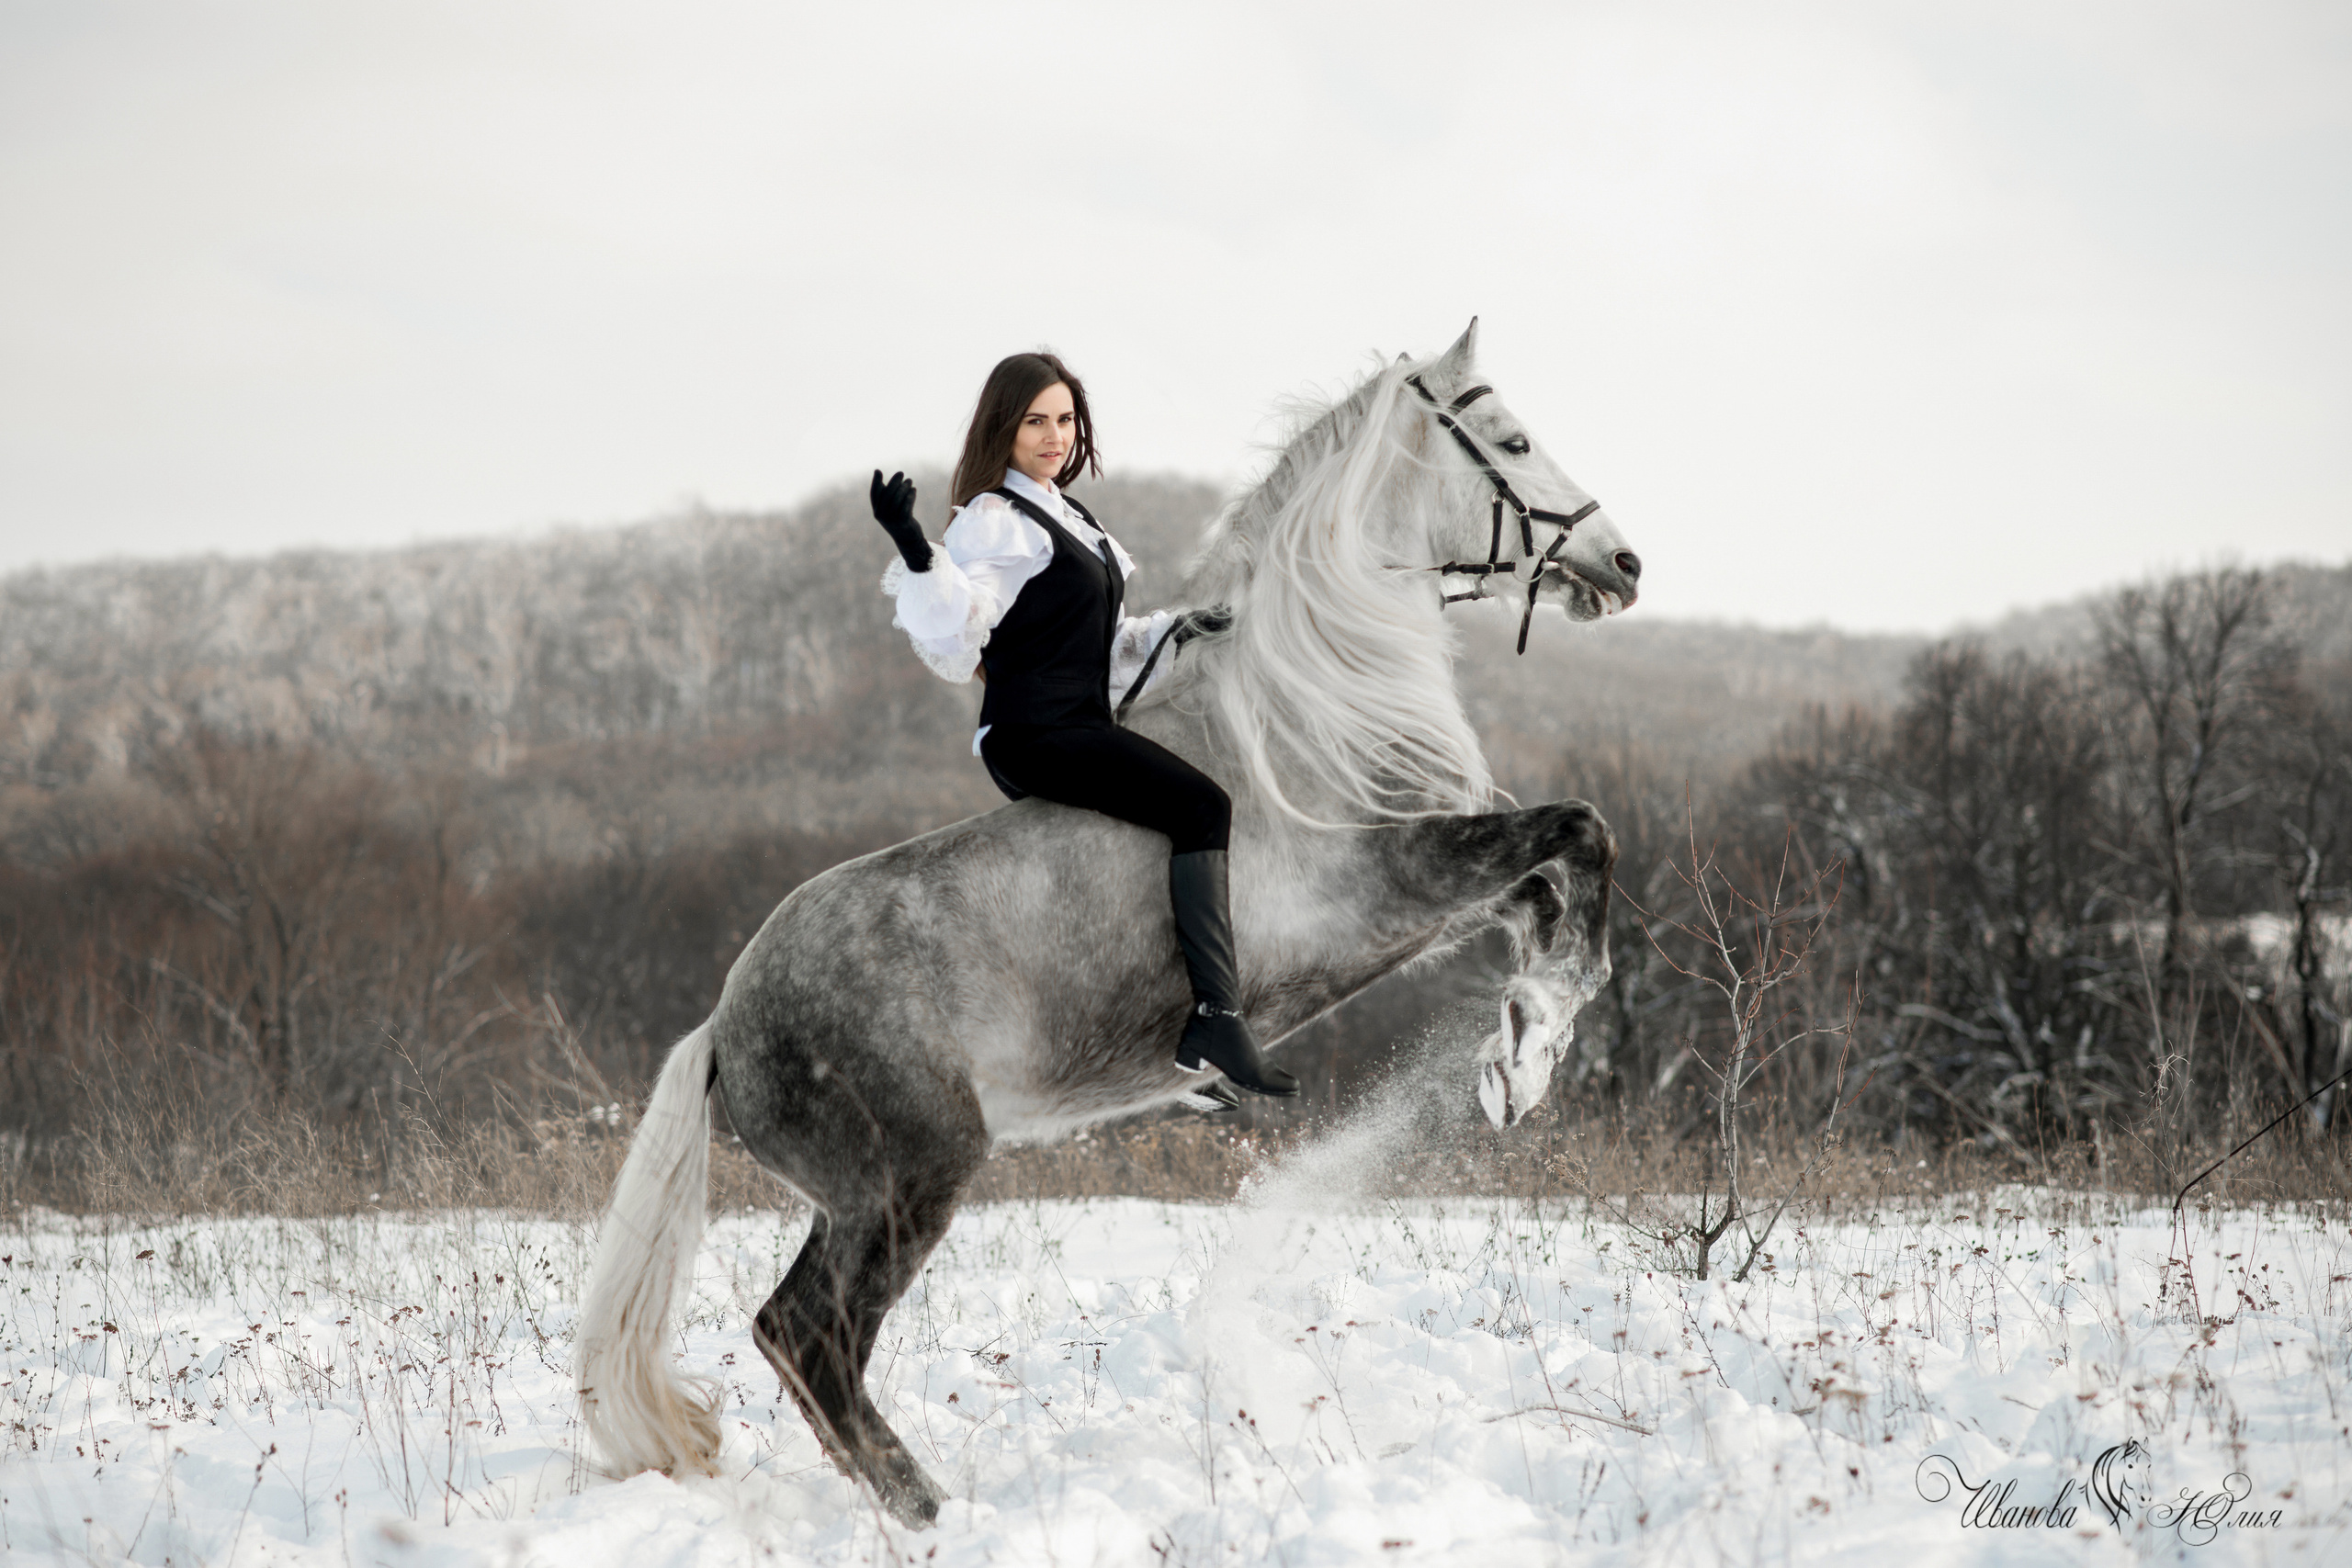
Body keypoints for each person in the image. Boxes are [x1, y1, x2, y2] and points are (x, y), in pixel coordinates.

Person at [868, 351, 1299, 1098]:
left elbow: (1108, 647)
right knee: (1204, 807)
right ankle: (1216, 1016)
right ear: (1004, 427)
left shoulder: (1071, 519)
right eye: (1036, 421)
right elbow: (958, 627)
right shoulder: (994, 520)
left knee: (1159, 833)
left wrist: (1195, 626)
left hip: (1079, 717)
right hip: (1035, 733)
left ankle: (1175, 1045)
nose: (1054, 436)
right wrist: (913, 546)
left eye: (1065, 420)